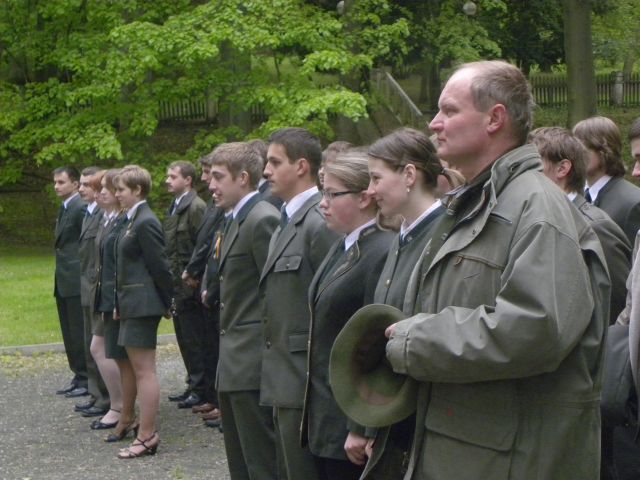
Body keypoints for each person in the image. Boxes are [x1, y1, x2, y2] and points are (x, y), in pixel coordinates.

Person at [382, 60, 609, 479]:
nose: (434, 123)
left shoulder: (536, 207)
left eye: (449, 110)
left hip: (510, 462)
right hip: (468, 453)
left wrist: (417, 341)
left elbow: (537, 328)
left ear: (494, 119)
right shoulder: (479, 202)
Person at [361, 128, 461, 479]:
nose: (369, 190)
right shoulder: (402, 237)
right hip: (396, 420)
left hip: (428, 423)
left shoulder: (445, 237)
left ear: (408, 175)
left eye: (376, 178)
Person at [302, 150, 394, 480]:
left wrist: (361, 425)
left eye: (332, 194)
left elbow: (376, 343)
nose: (322, 204)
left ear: (364, 197)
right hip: (329, 415)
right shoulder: (344, 245)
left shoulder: (381, 250)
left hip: (350, 422)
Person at [260, 127, 338, 480]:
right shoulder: (287, 220)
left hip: (305, 379)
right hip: (284, 376)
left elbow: (333, 305)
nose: (266, 171)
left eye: (275, 162)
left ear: (302, 166)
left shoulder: (318, 223)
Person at [208, 142, 280, 479]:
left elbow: (275, 294)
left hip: (251, 361)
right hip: (234, 360)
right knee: (241, 461)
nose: (211, 185)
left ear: (243, 178)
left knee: (260, 462)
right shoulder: (237, 218)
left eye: (218, 177)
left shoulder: (262, 219)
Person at [529, 126, 631, 323]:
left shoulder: (595, 228)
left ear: (562, 169)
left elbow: (618, 307)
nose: (525, 175)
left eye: (533, 165)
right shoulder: (541, 218)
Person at [113, 165, 173, 459]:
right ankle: (144, 431)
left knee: (144, 370)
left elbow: (159, 265)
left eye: (121, 189)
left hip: (143, 304)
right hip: (132, 303)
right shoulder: (133, 219)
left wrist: (168, 300)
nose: (117, 194)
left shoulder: (146, 221)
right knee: (139, 369)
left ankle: (147, 434)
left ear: (138, 190)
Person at [182, 153, 226, 425]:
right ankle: (211, 395)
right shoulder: (212, 202)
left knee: (216, 346)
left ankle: (219, 401)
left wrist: (196, 270)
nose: (207, 180)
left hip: (213, 282)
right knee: (208, 344)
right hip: (206, 279)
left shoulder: (208, 205)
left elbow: (211, 240)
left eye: (211, 173)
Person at [163, 161, 207, 409]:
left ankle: (200, 388)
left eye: (173, 176)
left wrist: (193, 274)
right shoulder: (175, 206)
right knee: (184, 337)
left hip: (190, 285)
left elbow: (201, 244)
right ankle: (192, 383)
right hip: (177, 285)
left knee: (195, 339)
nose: (167, 181)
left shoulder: (196, 207)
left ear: (188, 180)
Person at [90, 169, 124, 431]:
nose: (100, 192)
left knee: (104, 349)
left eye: (105, 187)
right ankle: (118, 403)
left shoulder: (121, 220)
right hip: (105, 294)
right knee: (99, 348)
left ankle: (119, 405)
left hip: (116, 296)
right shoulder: (107, 218)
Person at [76, 167, 110, 419]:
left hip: (96, 286)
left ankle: (106, 397)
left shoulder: (102, 214)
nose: (81, 189)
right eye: (81, 184)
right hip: (87, 285)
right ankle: (96, 393)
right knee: (90, 341)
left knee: (98, 344)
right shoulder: (89, 213)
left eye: (87, 185)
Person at [574, 116, 640, 245]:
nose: (574, 155)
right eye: (572, 148)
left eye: (582, 148)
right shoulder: (576, 196)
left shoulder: (632, 202)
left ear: (604, 150)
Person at [53, 166, 89, 398]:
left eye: (61, 182)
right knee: (69, 332)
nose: (56, 186)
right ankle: (78, 374)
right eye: (55, 182)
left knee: (79, 331)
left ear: (75, 184)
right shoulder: (66, 207)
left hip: (76, 280)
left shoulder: (80, 207)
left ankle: (86, 378)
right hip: (64, 280)